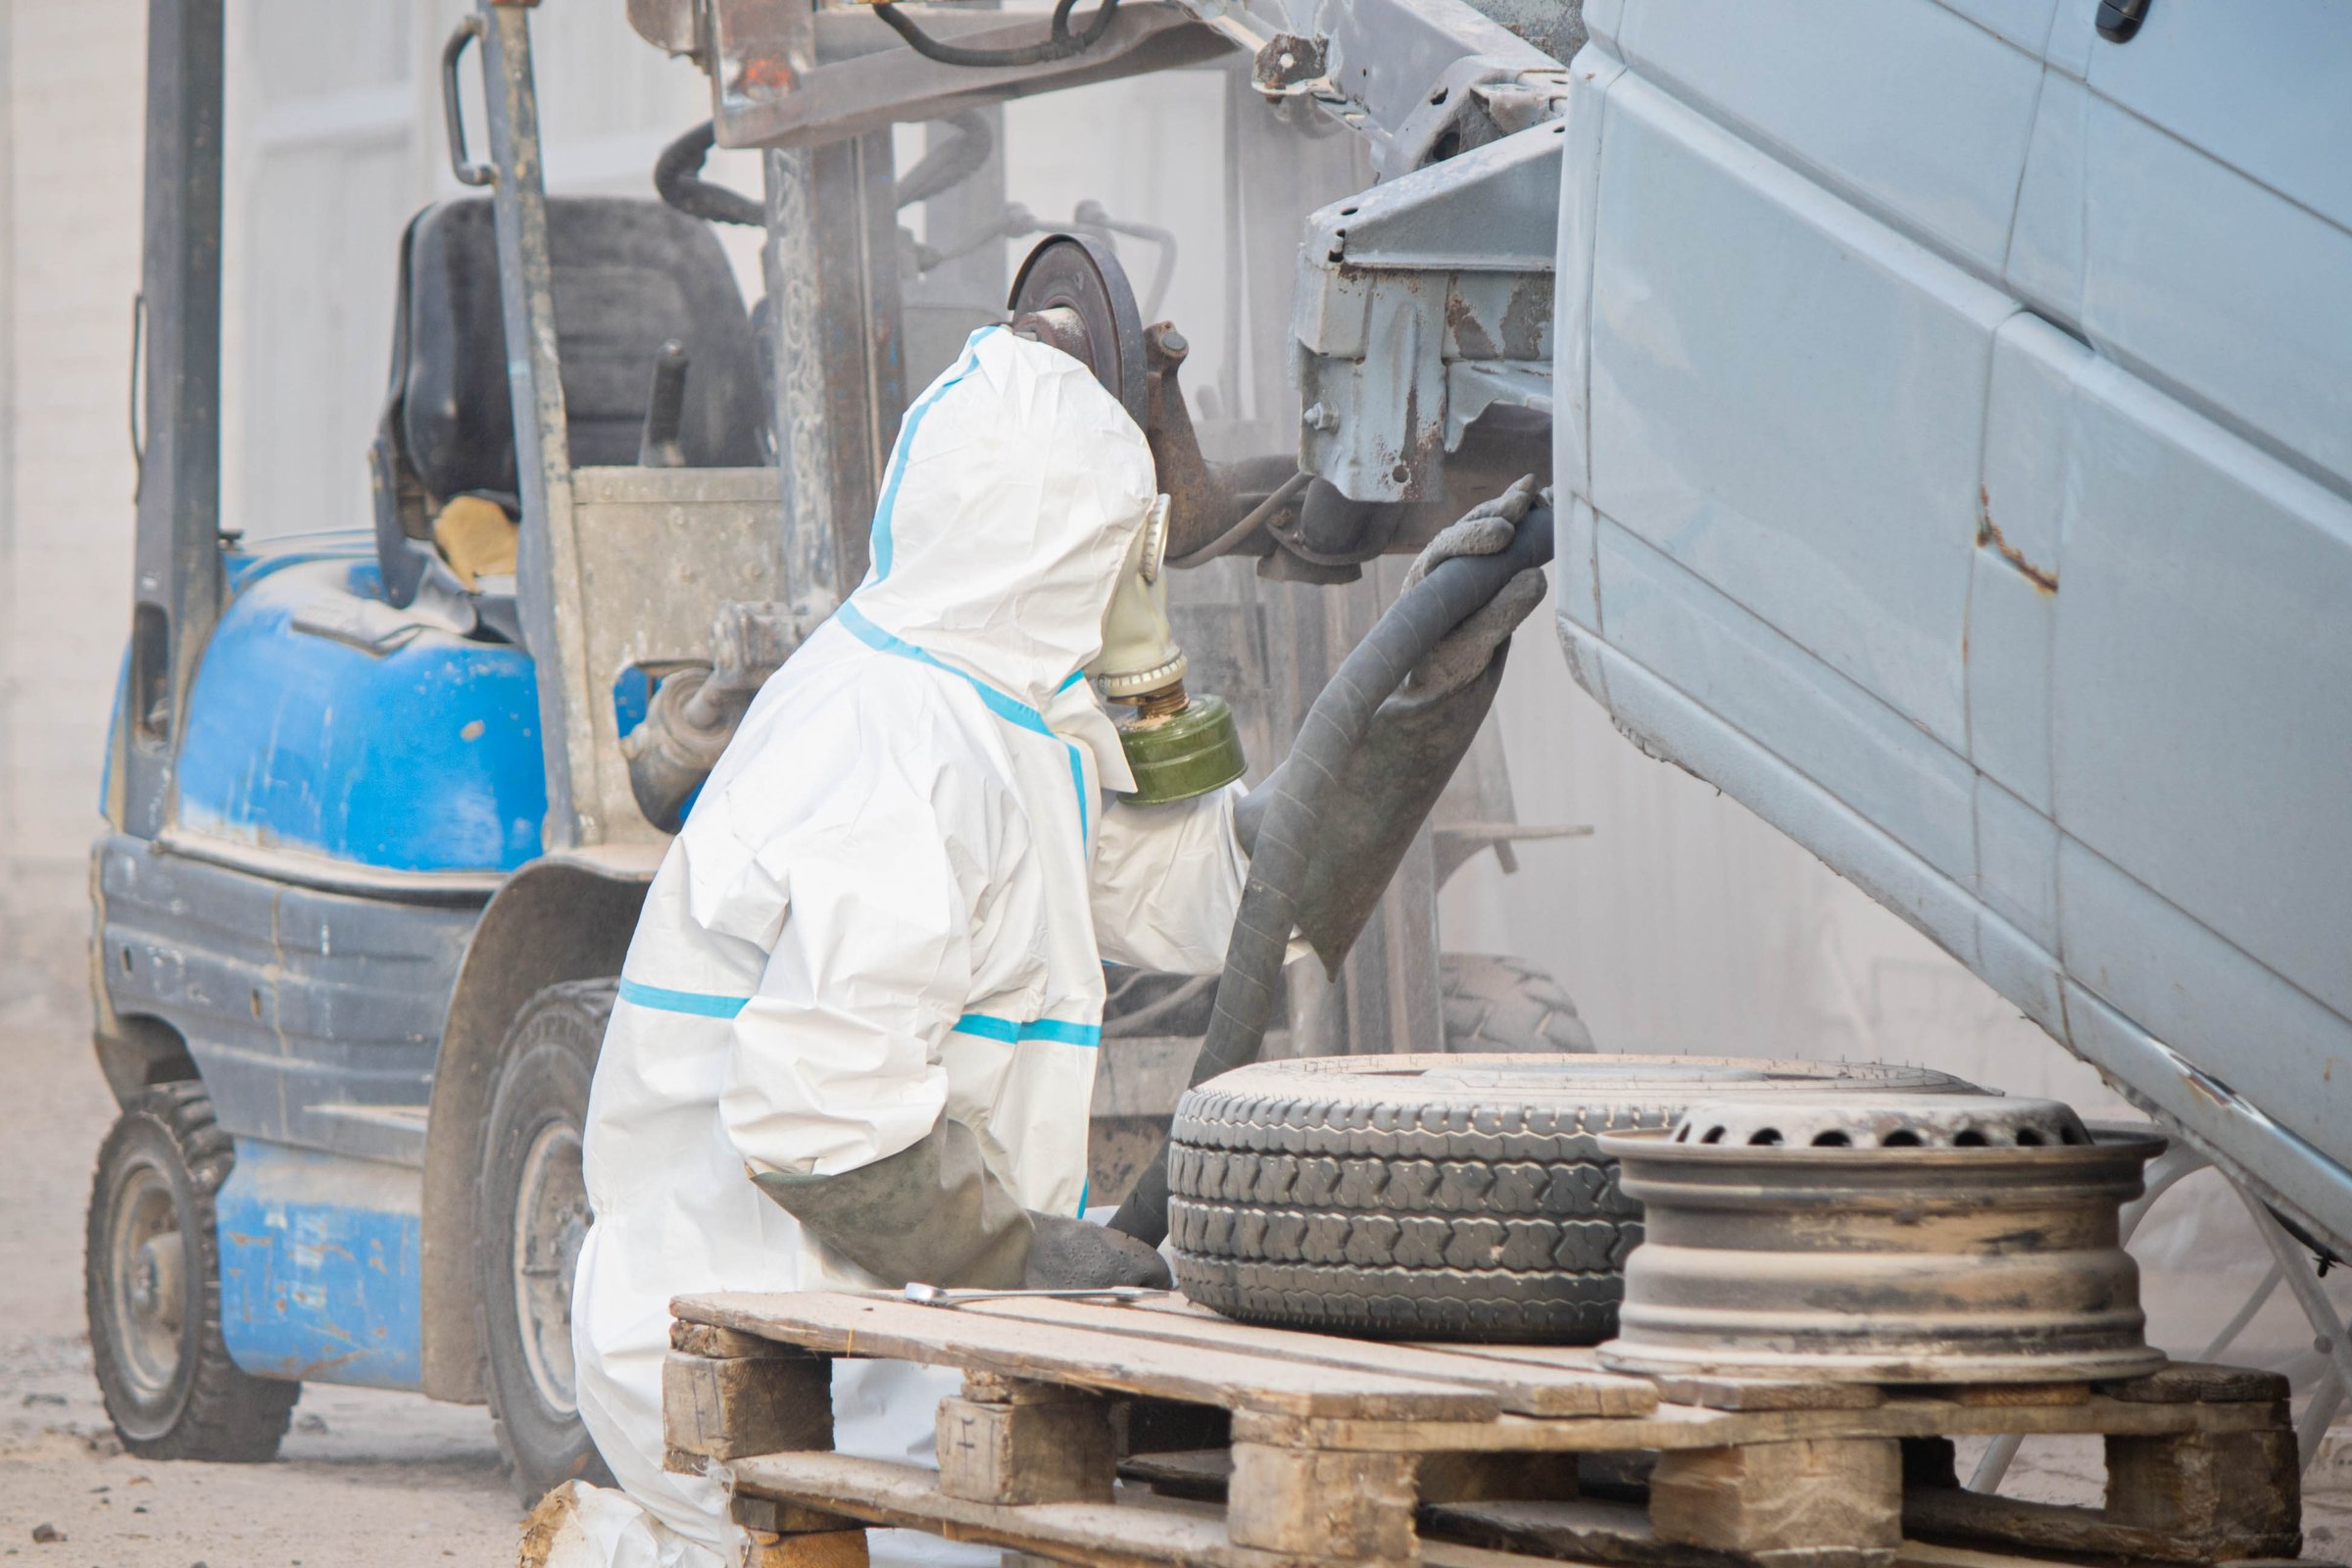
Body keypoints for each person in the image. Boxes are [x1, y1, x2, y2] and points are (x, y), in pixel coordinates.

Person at [533, 324, 1544, 1567]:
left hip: (870, 1343)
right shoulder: (893, 746)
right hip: (755, 1366)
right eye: (1133, 557)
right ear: (1069, 549)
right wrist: (1047, 1265)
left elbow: (1234, 900)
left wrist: (1417, 702)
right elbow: (819, 1131)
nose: (1142, 595)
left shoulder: (1002, 725)